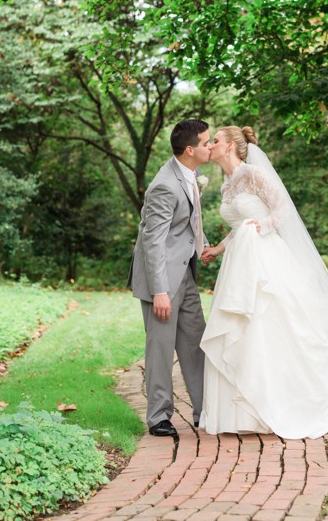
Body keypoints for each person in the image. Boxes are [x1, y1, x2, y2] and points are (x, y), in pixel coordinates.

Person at [199, 126, 328, 439]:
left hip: (266, 259)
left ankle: (272, 406)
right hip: (239, 261)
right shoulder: (226, 184)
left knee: (268, 324)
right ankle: (241, 414)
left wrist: (262, 227)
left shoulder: (253, 173)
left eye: (216, 141)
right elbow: (239, 226)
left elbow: (282, 209)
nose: (210, 145)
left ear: (231, 147)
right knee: (242, 326)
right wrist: (218, 249)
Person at [128, 119, 214, 437]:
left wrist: (201, 248)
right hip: (161, 278)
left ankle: (205, 410)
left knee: (195, 342)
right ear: (190, 150)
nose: (210, 146)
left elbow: (186, 225)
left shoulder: (189, 175)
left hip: (185, 273)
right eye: (206, 142)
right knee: (161, 347)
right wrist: (160, 291)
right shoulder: (164, 184)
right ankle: (159, 417)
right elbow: (153, 241)